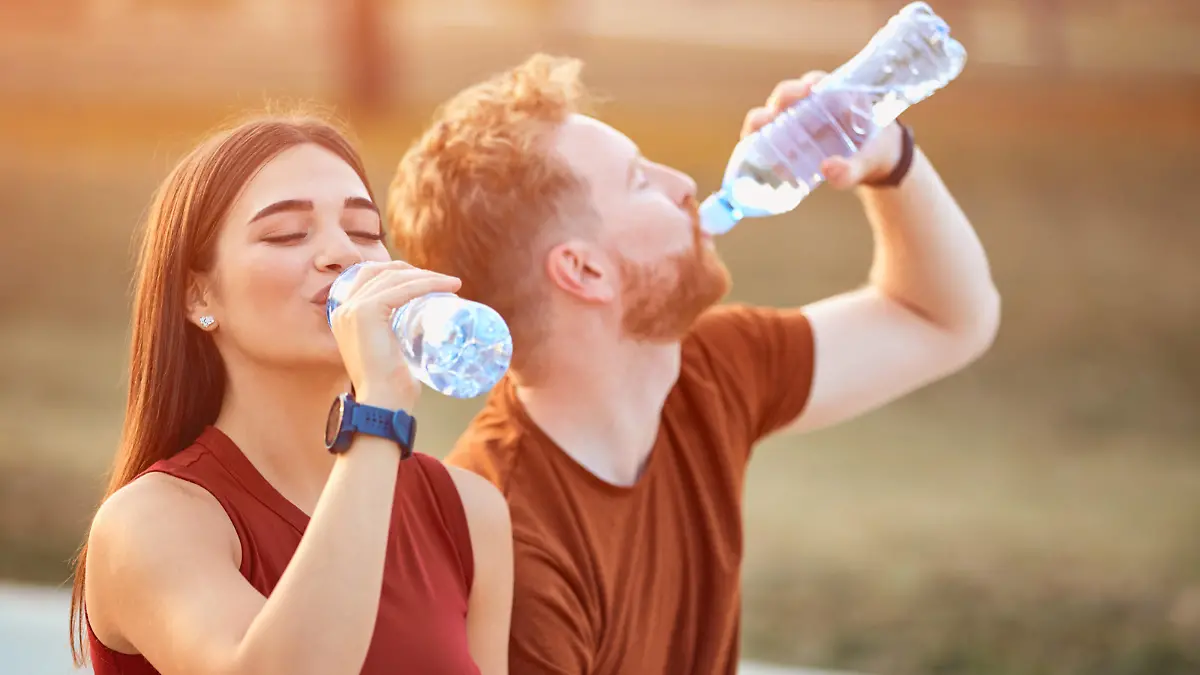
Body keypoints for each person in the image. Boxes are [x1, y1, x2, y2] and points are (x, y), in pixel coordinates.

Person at [386, 53, 1001, 674]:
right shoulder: (515, 547)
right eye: (638, 181)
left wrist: (890, 160)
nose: (681, 183)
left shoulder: (706, 369)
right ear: (583, 270)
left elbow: (943, 319)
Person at [69, 114, 513, 675]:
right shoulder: (150, 523)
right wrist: (376, 412)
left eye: (363, 230)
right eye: (286, 234)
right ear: (198, 294)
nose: (341, 254)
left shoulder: (468, 512)